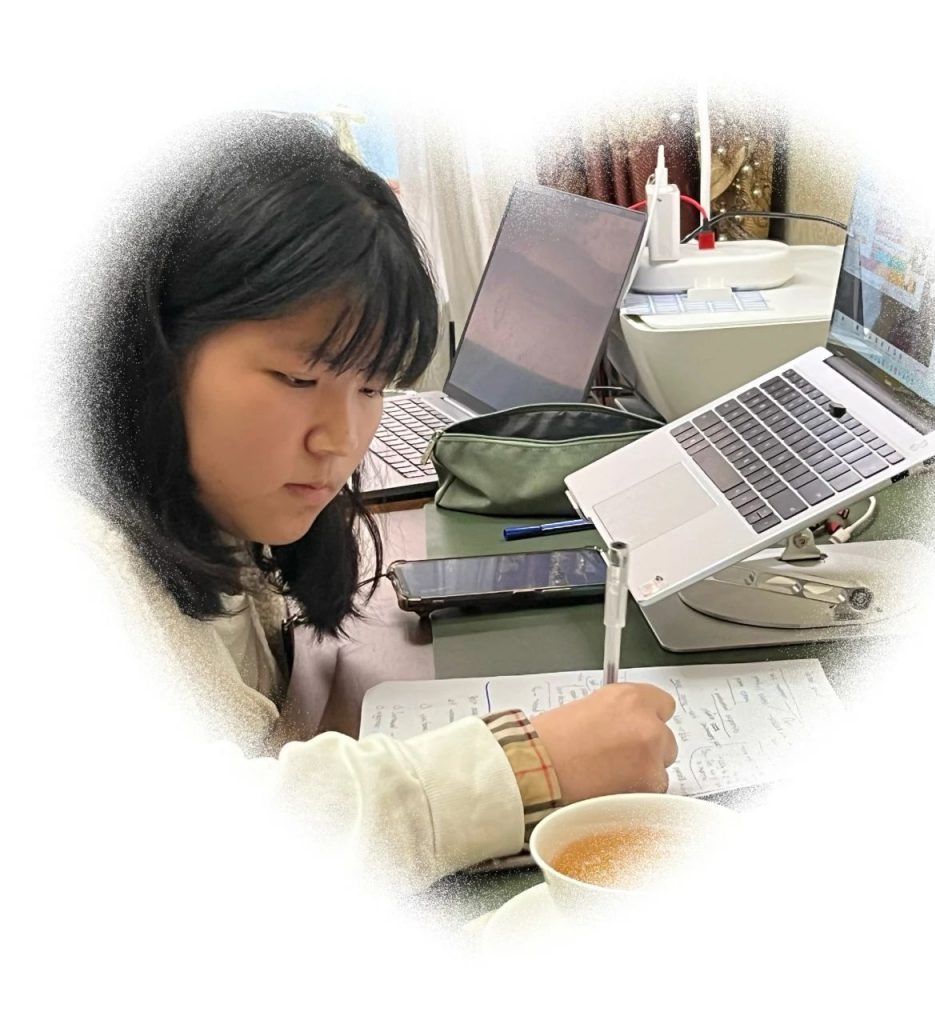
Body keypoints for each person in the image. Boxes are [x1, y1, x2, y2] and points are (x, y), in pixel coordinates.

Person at [59, 111, 678, 894]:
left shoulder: (221, 517)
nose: (342, 440)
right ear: (152, 350)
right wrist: (526, 765)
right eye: (297, 378)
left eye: (373, 386)